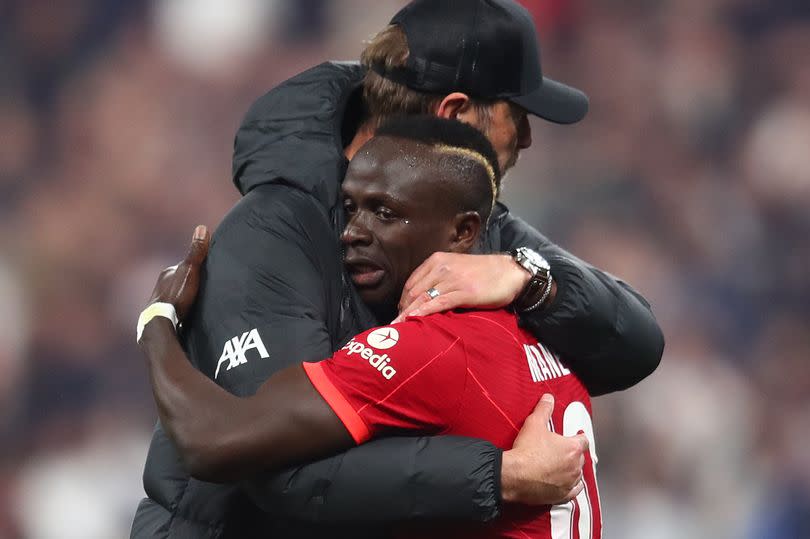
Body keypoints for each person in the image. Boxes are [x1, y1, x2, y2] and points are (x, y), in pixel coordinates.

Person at [132, 1, 664, 537]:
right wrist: (500, 476)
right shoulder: (273, 232)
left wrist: (530, 278)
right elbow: (278, 472)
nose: (525, 139)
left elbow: (636, 341)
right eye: (516, 115)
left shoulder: (474, 226)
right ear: (455, 114)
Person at [137, 116, 601, 539]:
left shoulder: (423, 348)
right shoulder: (547, 334)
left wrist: (158, 321)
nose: (350, 232)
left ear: (463, 231)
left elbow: (214, 442)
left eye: (384, 213)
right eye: (350, 207)